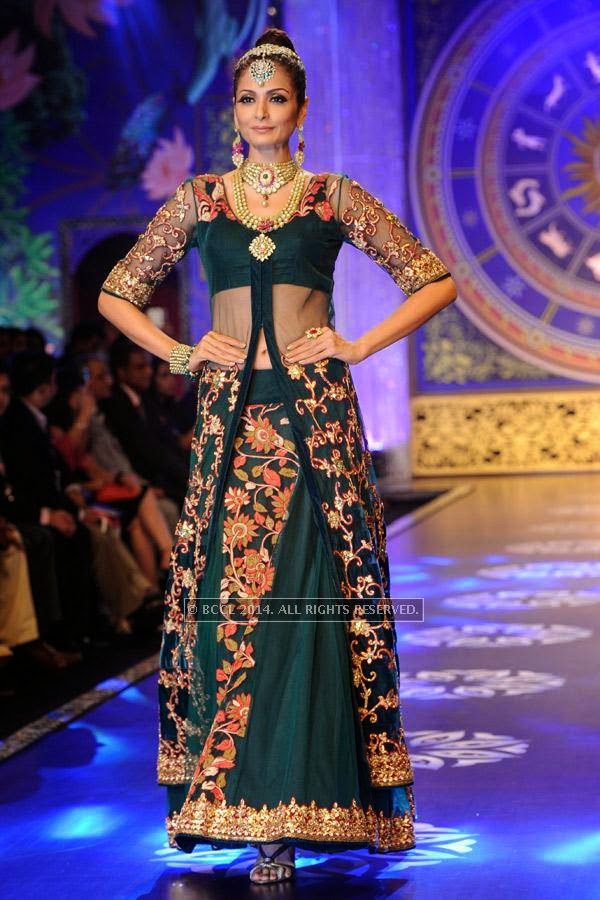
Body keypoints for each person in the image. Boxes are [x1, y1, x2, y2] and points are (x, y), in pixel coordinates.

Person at [98, 27, 457, 884]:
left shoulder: (333, 198)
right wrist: (183, 354)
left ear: (301, 111)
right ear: (236, 111)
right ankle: (251, 809)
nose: (262, 111)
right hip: (231, 433)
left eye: (278, 98)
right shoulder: (201, 201)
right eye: (249, 98)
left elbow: (433, 278)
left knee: (313, 601)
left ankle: (309, 802)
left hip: (318, 428)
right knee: (233, 607)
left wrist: (358, 344)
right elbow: (119, 293)